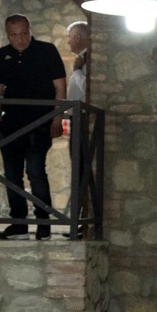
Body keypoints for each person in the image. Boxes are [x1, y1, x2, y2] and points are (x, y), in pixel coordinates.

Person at [0, 14, 65, 240]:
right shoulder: (2, 55)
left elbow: (60, 87)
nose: (20, 39)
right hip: (11, 124)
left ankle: (43, 222)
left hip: (40, 123)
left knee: (35, 171)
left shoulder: (47, 51)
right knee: (12, 175)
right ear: (7, 35)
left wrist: (57, 118)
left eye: (23, 33)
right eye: (14, 35)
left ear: (30, 30)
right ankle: (19, 224)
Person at [63, 21, 92, 240]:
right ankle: (80, 220)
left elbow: (86, 90)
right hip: (77, 121)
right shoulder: (83, 59)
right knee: (78, 171)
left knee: (82, 172)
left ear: (79, 38)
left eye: (70, 37)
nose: (68, 42)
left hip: (84, 122)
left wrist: (76, 71)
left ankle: (82, 221)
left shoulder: (87, 60)